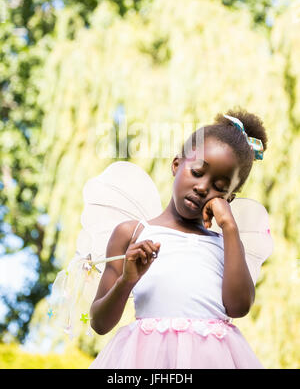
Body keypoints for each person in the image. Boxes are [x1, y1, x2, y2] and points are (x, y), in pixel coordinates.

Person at [87, 108, 271, 369]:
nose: (202, 187)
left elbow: (239, 307)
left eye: (219, 188)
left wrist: (229, 226)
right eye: (197, 172)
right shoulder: (132, 233)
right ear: (176, 164)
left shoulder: (226, 245)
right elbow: (100, 323)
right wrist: (127, 279)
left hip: (212, 359)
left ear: (228, 199)